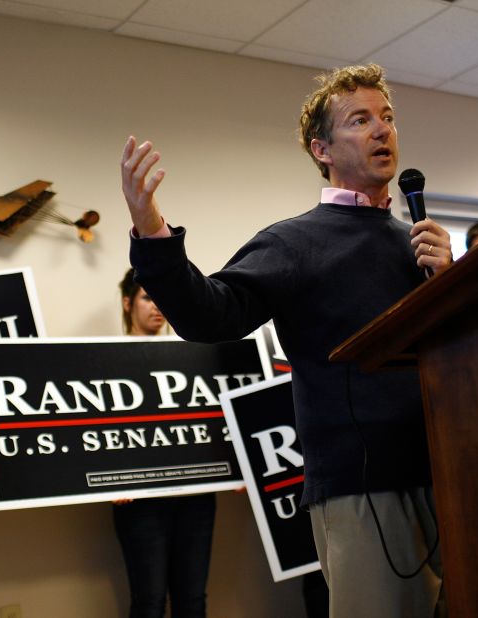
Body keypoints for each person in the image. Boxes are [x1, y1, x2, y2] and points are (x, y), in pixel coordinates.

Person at [120, 64, 452, 618]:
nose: (382, 130)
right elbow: (210, 315)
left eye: (388, 118)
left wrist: (450, 282)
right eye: (361, 120)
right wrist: (151, 230)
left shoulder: (417, 243)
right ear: (321, 149)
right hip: (362, 488)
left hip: (449, 470)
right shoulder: (296, 242)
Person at [112, 268, 216, 618]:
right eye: (147, 297)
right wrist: (110, 477)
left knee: (192, 601)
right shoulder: (104, 361)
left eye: (163, 299)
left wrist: (241, 468)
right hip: (141, 501)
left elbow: (217, 419)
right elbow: (97, 437)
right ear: (127, 303)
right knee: (150, 601)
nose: (157, 307)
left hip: (196, 497)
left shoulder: (196, 357)